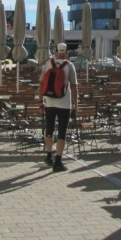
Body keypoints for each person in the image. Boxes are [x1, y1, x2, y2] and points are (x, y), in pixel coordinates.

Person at [42, 42, 78, 172]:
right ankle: (58, 161)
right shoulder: (69, 65)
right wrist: (75, 104)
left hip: (49, 102)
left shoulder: (48, 64)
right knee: (62, 132)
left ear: (55, 52)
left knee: (49, 129)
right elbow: (74, 86)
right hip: (64, 103)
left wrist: (41, 100)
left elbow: (41, 83)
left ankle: (48, 155)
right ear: (67, 53)